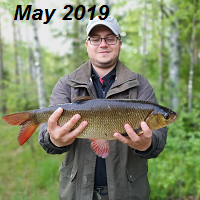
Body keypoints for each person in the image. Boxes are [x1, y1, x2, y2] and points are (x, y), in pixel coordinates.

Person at [39, 16, 167, 200]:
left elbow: (159, 138)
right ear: (87, 44)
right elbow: (46, 133)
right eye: (96, 38)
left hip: (128, 193)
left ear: (119, 43)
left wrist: (146, 144)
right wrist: (54, 140)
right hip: (76, 191)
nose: (103, 44)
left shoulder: (140, 85)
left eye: (110, 38)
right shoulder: (66, 85)